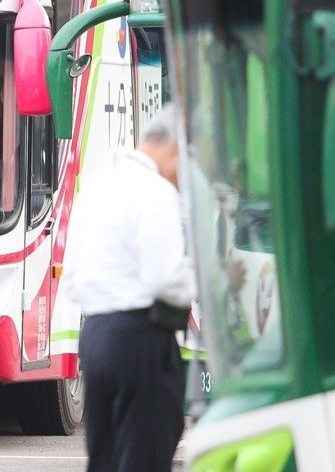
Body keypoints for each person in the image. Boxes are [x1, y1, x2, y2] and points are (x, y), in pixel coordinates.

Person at [62, 103, 196, 471]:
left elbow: (72, 279)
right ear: (175, 149)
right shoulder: (156, 192)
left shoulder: (95, 188)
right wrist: (206, 280)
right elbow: (165, 278)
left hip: (95, 338)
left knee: (104, 457)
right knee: (146, 455)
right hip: (141, 339)